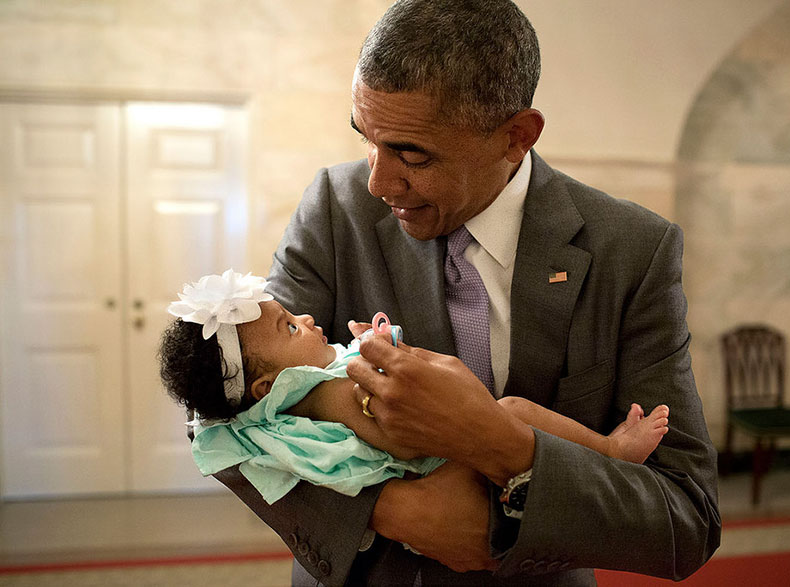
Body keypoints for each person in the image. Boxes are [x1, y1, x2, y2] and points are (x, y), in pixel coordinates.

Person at [263, 0, 721, 584]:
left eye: (411, 153)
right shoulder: (334, 208)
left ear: (516, 137)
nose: (377, 181)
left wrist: (506, 446)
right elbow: (224, 396)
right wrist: (389, 510)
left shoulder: (632, 250)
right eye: (367, 139)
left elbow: (686, 517)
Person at [159, 270, 670, 505]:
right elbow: (394, 431)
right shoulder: (321, 392)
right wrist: (382, 364)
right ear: (267, 385)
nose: (308, 318)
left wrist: (371, 348)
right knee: (513, 409)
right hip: (441, 460)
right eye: (290, 327)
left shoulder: (307, 382)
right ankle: (609, 451)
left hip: (444, 449)